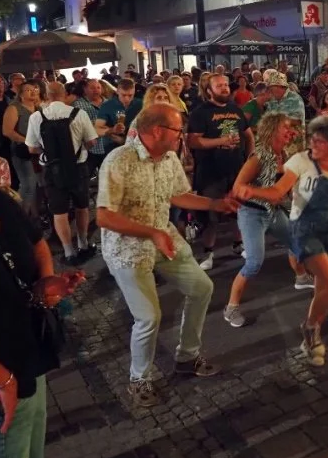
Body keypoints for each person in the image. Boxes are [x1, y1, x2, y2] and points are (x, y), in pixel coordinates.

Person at [97, 104, 235, 406]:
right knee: (148, 317)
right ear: (157, 130)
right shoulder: (119, 160)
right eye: (177, 130)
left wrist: (214, 205)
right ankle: (139, 379)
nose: (182, 136)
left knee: (202, 288)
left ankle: (187, 356)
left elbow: (177, 195)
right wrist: (151, 233)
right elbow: (105, 217)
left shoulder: (169, 158)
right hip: (128, 250)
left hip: (164, 240)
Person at [232, 117, 328, 366]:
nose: (312, 143)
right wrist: (253, 191)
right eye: (312, 138)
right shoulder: (301, 161)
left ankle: (310, 336)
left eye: (320, 141)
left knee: (325, 289)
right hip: (304, 229)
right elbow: (277, 192)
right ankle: (310, 327)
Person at [0, 166, 84, 458]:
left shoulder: (2, 202)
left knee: (30, 452)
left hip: (29, 349)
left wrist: (45, 283)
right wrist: (2, 380)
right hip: (0, 372)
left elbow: (38, 245)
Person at [223, 112, 307, 328]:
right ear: (272, 130)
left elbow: (281, 179)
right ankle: (231, 308)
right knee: (253, 263)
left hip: (273, 212)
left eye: (291, 128)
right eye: (285, 128)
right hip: (252, 214)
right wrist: (266, 193)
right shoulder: (258, 156)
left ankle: (301, 277)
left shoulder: (284, 153)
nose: (290, 132)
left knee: (297, 243)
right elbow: (238, 188)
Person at [25, 82, 99, 265]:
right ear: (65, 94)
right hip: (78, 168)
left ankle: (68, 251)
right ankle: (83, 243)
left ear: (46, 95)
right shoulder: (78, 114)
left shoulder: (36, 117)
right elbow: (92, 142)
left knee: (59, 212)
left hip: (52, 170)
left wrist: (48, 151)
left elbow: (32, 148)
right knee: (82, 207)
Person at [187, 74, 253, 271]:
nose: (225, 88)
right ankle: (208, 252)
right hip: (210, 173)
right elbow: (192, 141)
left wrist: (250, 160)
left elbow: (248, 135)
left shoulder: (236, 110)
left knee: (238, 210)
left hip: (236, 170)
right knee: (211, 214)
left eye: (226, 85)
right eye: (219, 86)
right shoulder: (200, 113)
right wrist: (220, 142)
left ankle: (238, 244)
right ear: (209, 90)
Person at [2, 81, 41, 220]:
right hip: (21, 152)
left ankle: (34, 217)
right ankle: (19, 218)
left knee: (36, 185)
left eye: (35, 89)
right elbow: (7, 131)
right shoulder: (14, 108)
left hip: (38, 152)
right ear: (21, 93)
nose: (33, 91)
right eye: (29, 90)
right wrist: (27, 141)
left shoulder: (38, 107)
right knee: (28, 186)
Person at [264, 71, 306, 156]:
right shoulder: (272, 101)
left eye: (271, 88)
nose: (270, 91)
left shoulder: (295, 99)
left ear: (279, 87)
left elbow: (296, 121)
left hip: (293, 145)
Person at [95, 78, 141, 154]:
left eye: (130, 95)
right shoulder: (107, 105)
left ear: (134, 91)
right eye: (123, 95)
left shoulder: (140, 104)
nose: (127, 99)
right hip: (113, 148)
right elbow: (97, 130)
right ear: (117, 91)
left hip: (136, 146)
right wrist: (113, 130)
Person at [73, 79, 107, 174]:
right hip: (88, 149)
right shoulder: (78, 104)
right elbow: (78, 125)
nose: (96, 90)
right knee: (85, 178)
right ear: (85, 89)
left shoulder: (108, 103)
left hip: (107, 146)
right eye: (92, 88)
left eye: (98, 87)